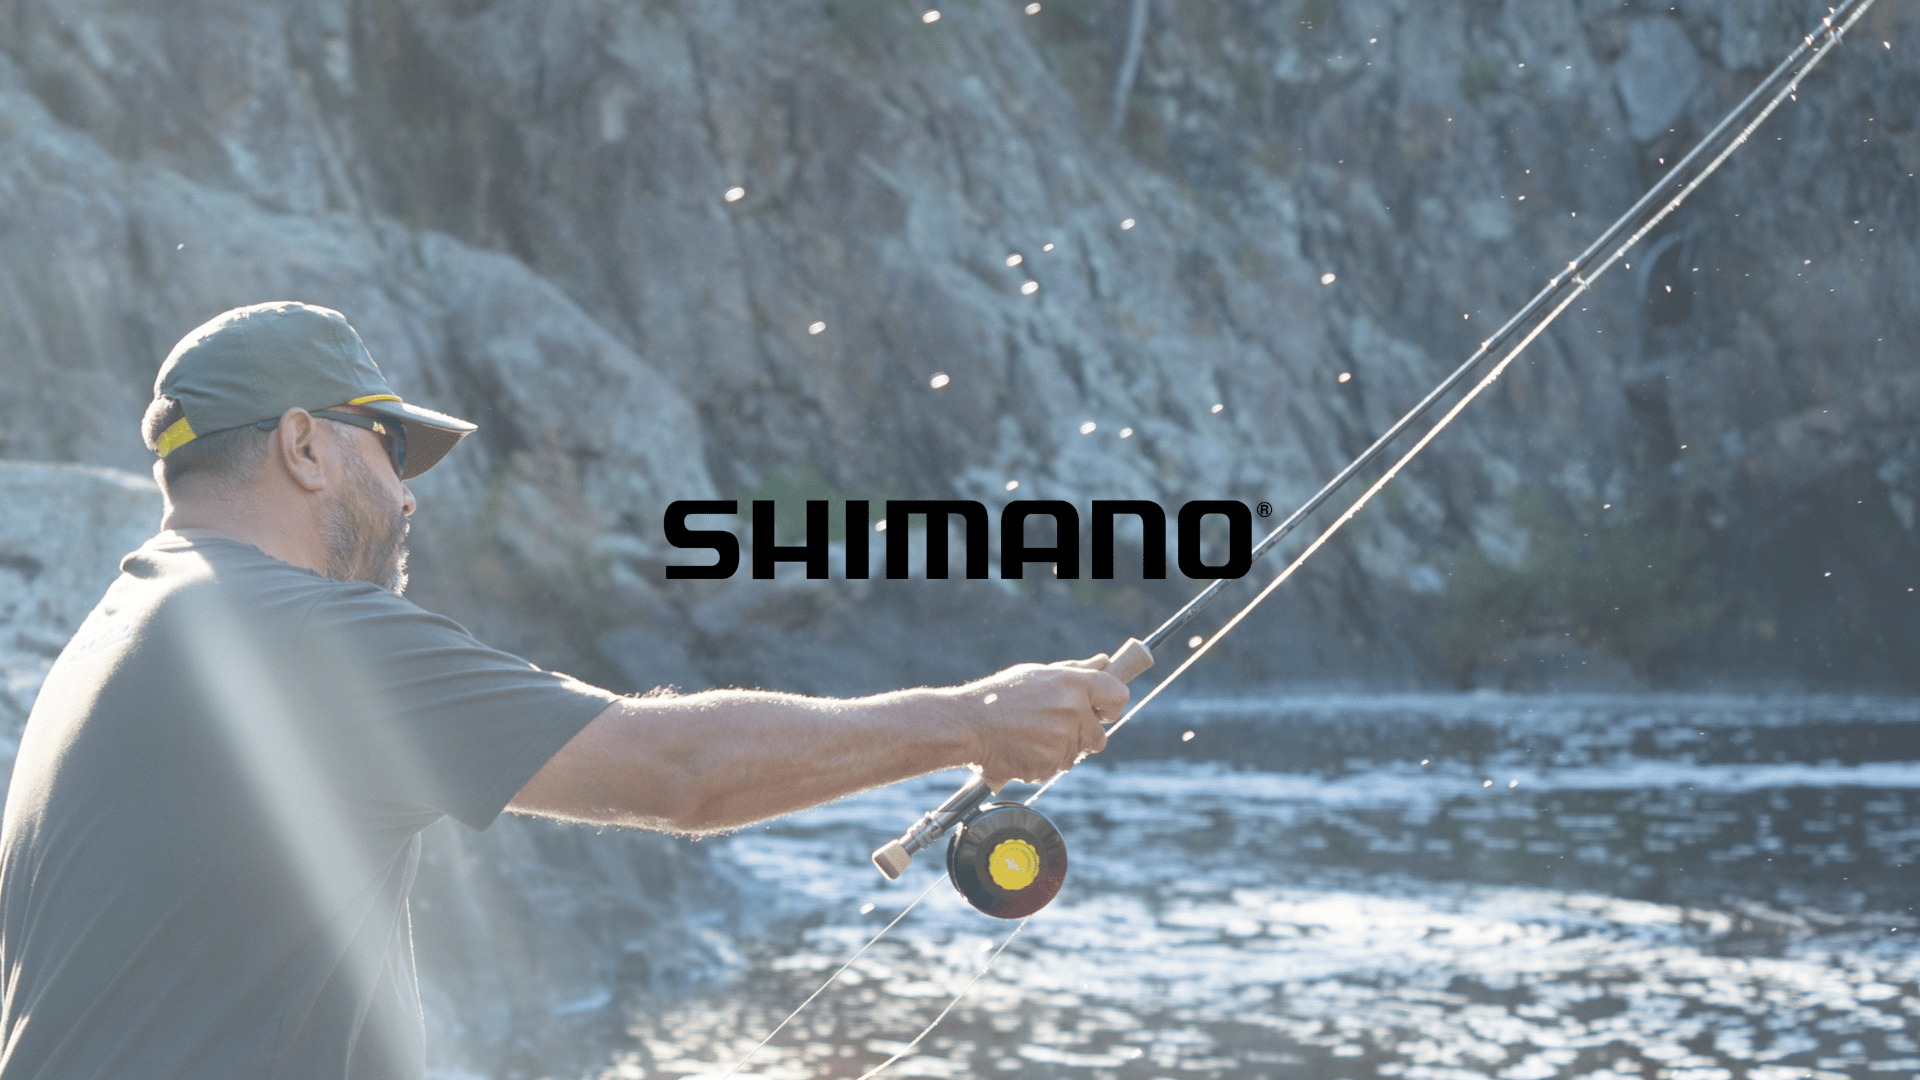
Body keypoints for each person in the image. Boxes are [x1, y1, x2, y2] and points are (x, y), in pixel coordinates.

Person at [0, 301, 1128, 1079]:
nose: (407, 496)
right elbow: (678, 773)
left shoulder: (121, 631)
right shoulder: (296, 635)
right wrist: (975, 720)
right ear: (304, 445)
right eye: (388, 449)